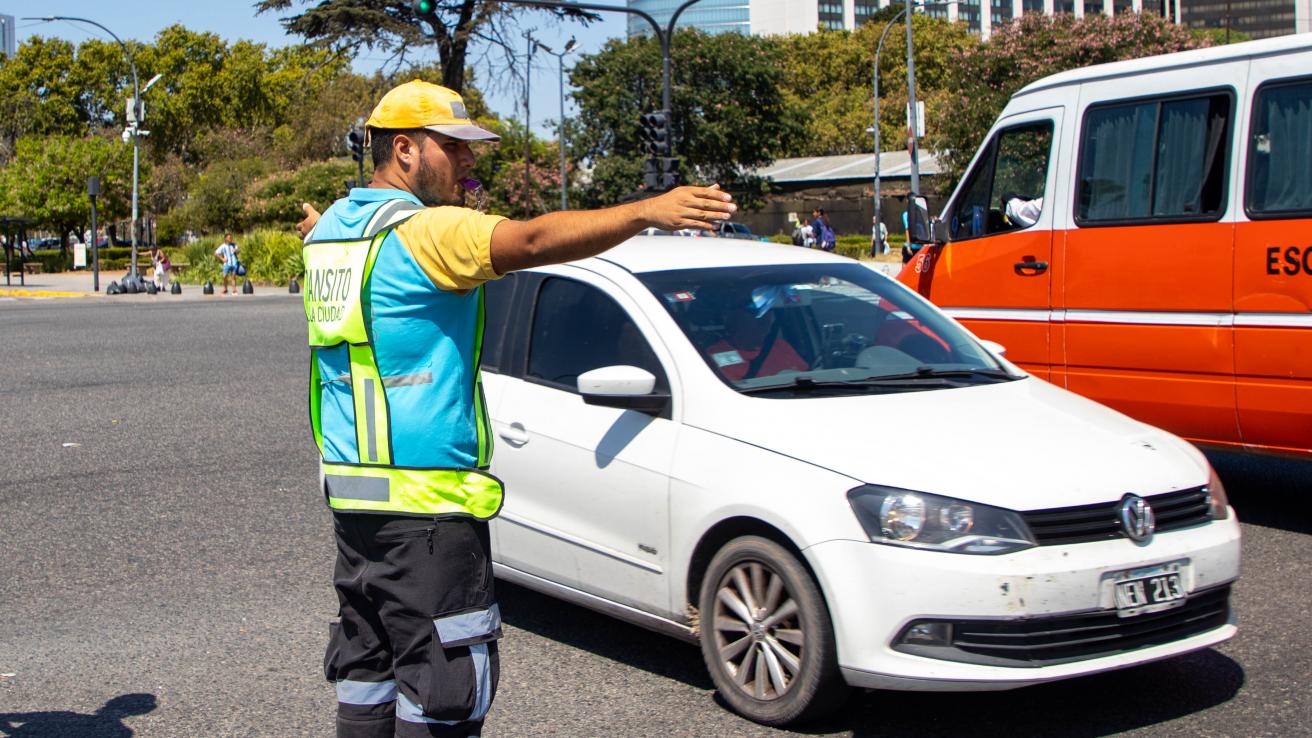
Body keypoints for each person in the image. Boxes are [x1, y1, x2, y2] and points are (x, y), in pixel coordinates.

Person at [293, 79, 735, 738]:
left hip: (356, 511)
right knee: (442, 694)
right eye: (453, 147)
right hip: (428, 515)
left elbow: (331, 244)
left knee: (367, 679)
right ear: (405, 150)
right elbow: (530, 242)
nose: (470, 160)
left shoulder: (330, 234)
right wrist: (647, 211)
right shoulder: (427, 232)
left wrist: (317, 224)